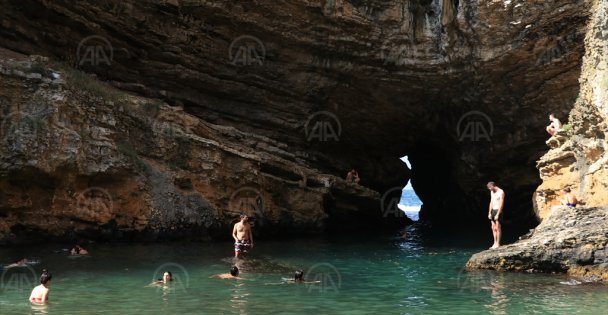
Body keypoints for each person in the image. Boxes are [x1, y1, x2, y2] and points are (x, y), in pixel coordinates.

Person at [487, 182, 505, 249]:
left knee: (498, 227)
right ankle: (494, 243)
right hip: (493, 210)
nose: (489, 189)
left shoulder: (501, 192)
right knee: (493, 227)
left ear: (493, 186)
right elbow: (491, 202)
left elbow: (501, 203)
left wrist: (498, 214)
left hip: (498, 210)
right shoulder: (492, 192)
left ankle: (498, 243)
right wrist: (489, 212)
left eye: (490, 187)